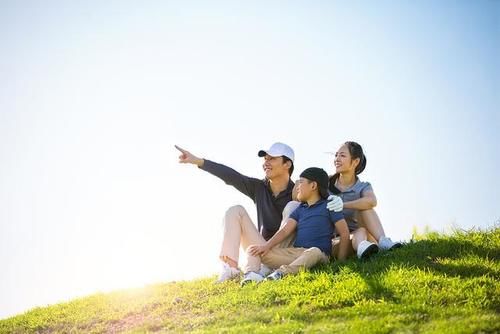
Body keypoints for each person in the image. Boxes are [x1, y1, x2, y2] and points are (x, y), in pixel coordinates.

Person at [175, 143, 344, 282]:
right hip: (264, 247)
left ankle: (267, 269)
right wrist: (198, 161)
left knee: (292, 206)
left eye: (272, 158)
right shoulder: (258, 188)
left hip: (289, 250)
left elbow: (318, 198)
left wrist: (333, 198)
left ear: (287, 164)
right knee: (235, 211)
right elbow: (231, 176)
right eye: (265, 159)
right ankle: (231, 268)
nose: (266, 162)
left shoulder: (298, 192)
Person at [242, 167, 350, 284]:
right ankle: (251, 275)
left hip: (318, 256)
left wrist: (341, 261)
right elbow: (284, 231)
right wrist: (266, 246)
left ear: (313, 186)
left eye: (301, 182)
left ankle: (281, 274)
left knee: (314, 251)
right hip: (295, 253)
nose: (297, 187)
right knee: (253, 249)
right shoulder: (300, 209)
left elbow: (344, 233)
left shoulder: (329, 206)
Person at [328, 141, 401, 259]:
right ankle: (364, 248)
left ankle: (383, 242)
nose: (337, 159)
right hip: (335, 238)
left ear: (355, 162)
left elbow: (372, 201)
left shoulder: (363, 186)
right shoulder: (326, 182)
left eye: (342, 155)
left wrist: (343, 205)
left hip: (359, 234)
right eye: (336, 155)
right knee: (361, 232)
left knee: (365, 209)